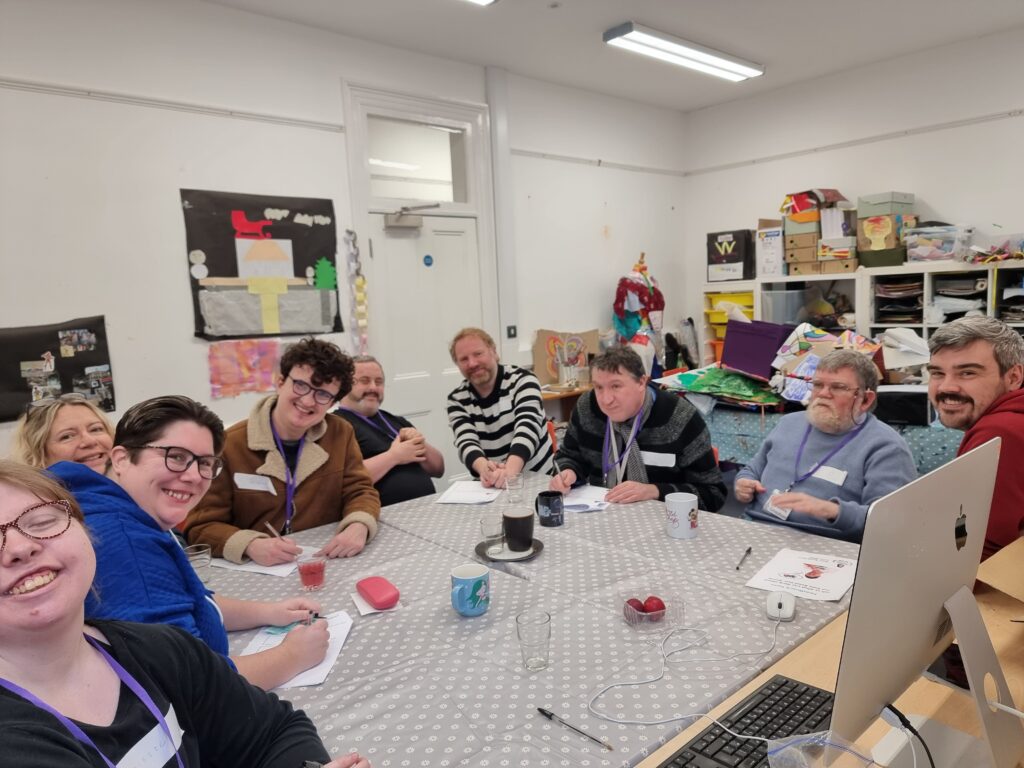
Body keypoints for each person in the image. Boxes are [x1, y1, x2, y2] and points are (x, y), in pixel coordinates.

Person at [0, 460, 369, 768]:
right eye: (176, 457)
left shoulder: (159, 650)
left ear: (85, 531)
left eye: (42, 521)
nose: (20, 547)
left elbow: (277, 731)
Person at [50, 396, 330, 691]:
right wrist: (291, 656)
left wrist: (268, 612)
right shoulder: (125, 543)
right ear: (120, 458)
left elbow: (183, 597)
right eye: (176, 456)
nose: (194, 476)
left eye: (205, 463)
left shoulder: (125, 509)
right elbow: (186, 685)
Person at [185, 337, 381, 566]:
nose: (308, 401)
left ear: (332, 403)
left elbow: (360, 491)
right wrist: (250, 544)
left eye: (323, 395)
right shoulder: (229, 444)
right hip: (256, 569)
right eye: (301, 386)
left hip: (323, 560)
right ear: (280, 382)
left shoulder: (340, 433)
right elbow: (200, 527)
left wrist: (359, 524)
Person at [734, 350, 917, 542]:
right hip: (757, 530)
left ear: (865, 400)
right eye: (818, 385)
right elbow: (751, 471)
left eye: (837, 387)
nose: (823, 394)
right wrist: (743, 483)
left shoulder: (886, 447)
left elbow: (890, 523)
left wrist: (831, 511)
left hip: (824, 545)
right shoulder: (788, 423)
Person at [549, 347, 727, 508]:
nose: (606, 399)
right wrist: (568, 472)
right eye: (598, 387)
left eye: (616, 386)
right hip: (602, 514)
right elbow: (569, 456)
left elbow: (713, 494)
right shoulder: (587, 408)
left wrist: (654, 491)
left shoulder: (679, 418)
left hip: (666, 524)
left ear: (642, 382)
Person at [927, 316, 1024, 560]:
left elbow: (978, 549)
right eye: (937, 373)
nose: (946, 387)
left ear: (1013, 377)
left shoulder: (999, 432)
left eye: (967, 373)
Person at [447, 327, 552, 487]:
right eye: (464, 359)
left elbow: (528, 428)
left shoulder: (523, 381)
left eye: (478, 354)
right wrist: (485, 469)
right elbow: (466, 443)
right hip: (491, 485)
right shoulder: (457, 400)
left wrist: (509, 473)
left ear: (493, 352)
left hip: (538, 480)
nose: (472, 363)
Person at [335, 355, 444, 506]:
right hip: (381, 517)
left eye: (379, 382)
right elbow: (340, 482)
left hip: (426, 508)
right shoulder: (336, 425)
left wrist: (422, 444)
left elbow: (438, 469)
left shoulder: (397, 421)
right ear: (344, 385)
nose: (373, 387)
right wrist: (394, 456)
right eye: (364, 380)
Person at [11, 393, 113, 474]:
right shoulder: (48, 499)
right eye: (67, 436)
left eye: (95, 429)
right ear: (38, 454)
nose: (89, 441)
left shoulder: (125, 488)